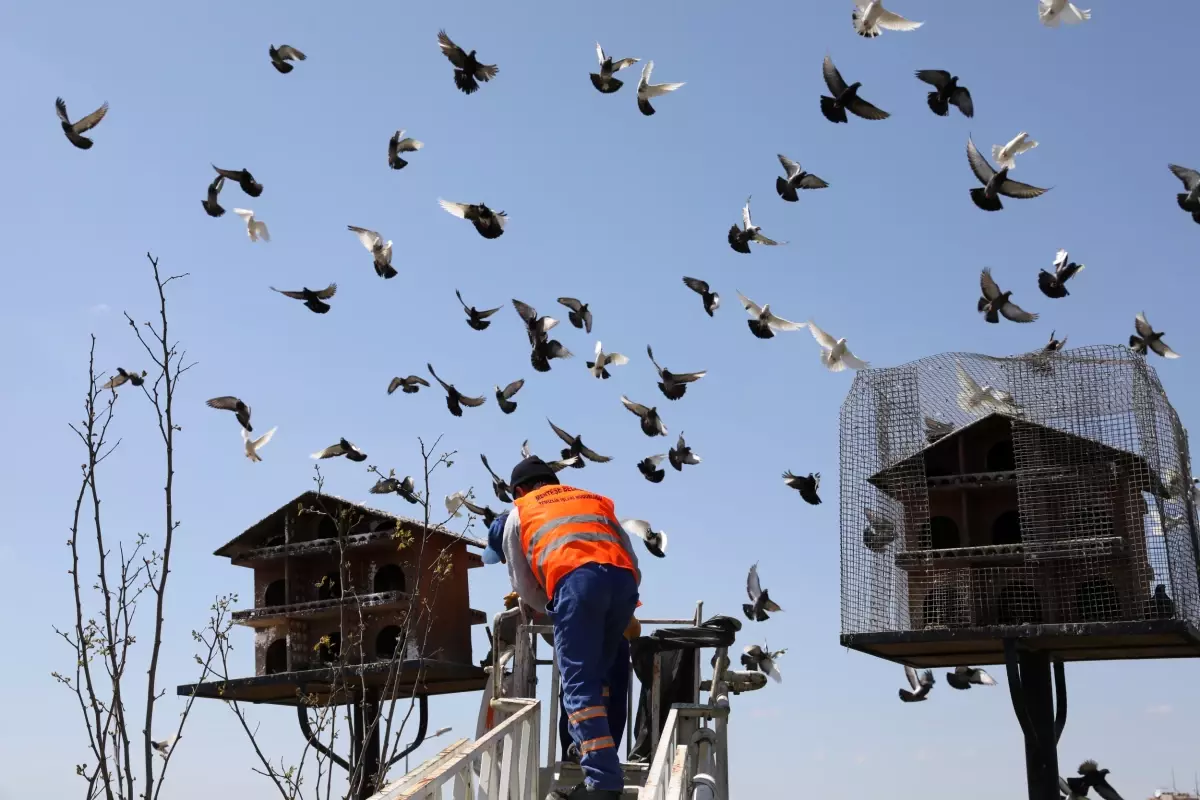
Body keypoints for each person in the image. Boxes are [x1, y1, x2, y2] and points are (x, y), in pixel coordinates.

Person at [482, 456, 640, 800]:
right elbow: (629, 555)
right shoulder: (592, 499)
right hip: (623, 584)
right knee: (600, 678)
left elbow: (524, 584)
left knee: (579, 688)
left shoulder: (519, 512)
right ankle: (596, 765)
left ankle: (603, 784)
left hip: (577, 585)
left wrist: (556, 606)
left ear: (519, 491)